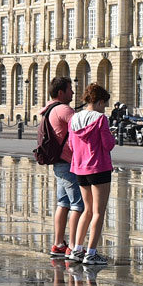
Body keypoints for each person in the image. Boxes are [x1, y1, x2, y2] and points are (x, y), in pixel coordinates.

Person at [68, 83, 114, 267]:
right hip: (99, 167)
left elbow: (71, 145)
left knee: (86, 210)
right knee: (98, 212)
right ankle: (92, 253)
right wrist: (112, 136)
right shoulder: (101, 119)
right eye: (104, 104)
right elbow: (108, 145)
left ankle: (77, 250)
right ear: (100, 102)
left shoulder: (74, 119)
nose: (104, 108)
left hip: (79, 169)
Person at [39, 76, 83, 261]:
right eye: (70, 89)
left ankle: (58, 244)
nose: (72, 92)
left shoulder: (49, 108)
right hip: (68, 162)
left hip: (59, 162)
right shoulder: (64, 109)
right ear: (61, 92)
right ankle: (73, 246)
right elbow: (82, 127)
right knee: (78, 205)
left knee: (63, 203)